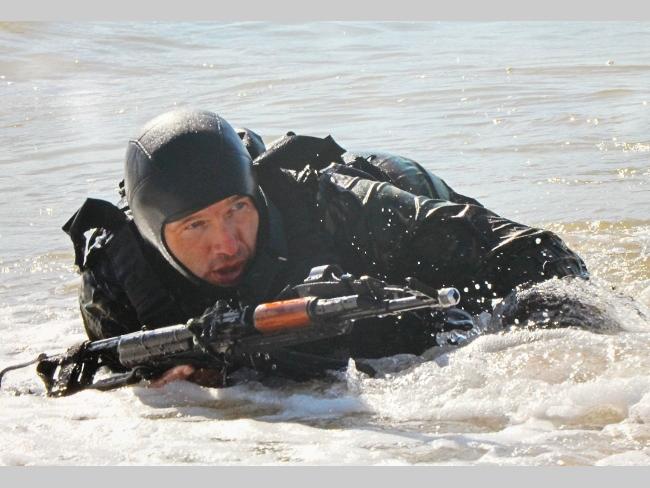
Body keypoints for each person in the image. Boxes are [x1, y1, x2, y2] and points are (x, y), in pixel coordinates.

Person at [63, 109, 588, 385]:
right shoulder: (119, 277)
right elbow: (106, 378)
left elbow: (539, 255)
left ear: (256, 197)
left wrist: (526, 346)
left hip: (394, 204)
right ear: (155, 235)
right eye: (195, 226)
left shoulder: (337, 205)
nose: (226, 242)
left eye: (237, 210)